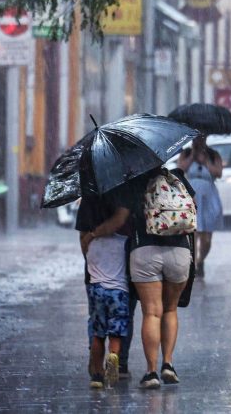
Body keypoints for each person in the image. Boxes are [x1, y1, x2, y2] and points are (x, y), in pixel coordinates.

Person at [124, 166, 196, 389]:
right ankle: (168, 363)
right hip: (179, 251)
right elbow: (193, 212)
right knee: (170, 309)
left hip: (145, 250)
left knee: (152, 312)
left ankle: (151, 371)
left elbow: (126, 218)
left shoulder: (133, 182)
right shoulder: (177, 177)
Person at [76, 194, 132, 389]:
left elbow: (85, 255)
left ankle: (97, 375)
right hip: (120, 292)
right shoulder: (123, 242)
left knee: (98, 334)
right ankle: (114, 357)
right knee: (116, 333)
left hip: (96, 290)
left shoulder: (91, 244)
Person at [177, 135, 224, 278]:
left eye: (201, 138)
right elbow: (181, 169)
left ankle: (200, 260)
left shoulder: (213, 154)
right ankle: (195, 265)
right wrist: (192, 155)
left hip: (209, 196)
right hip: (191, 196)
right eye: (195, 139)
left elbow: (218, 173)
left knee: (207, 237)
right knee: (193, 233)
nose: (198, 141)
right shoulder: (186, 153)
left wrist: (206, 160)